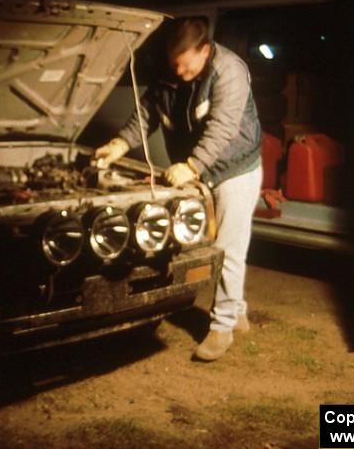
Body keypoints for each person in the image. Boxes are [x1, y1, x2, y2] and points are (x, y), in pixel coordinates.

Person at [94, 18, 263, 361]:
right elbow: (145, 113)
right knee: (214, 243)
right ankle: (238, 311)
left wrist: (192, 166)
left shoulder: (229, 70)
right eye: (174, 63)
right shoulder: (169, 72)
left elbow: (223, 127)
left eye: (185, 63)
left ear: (204, 50)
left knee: (227, 248)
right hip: (198, 172)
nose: (179, 70)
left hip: (235, 169)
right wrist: (119, 144)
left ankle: (222, 327)